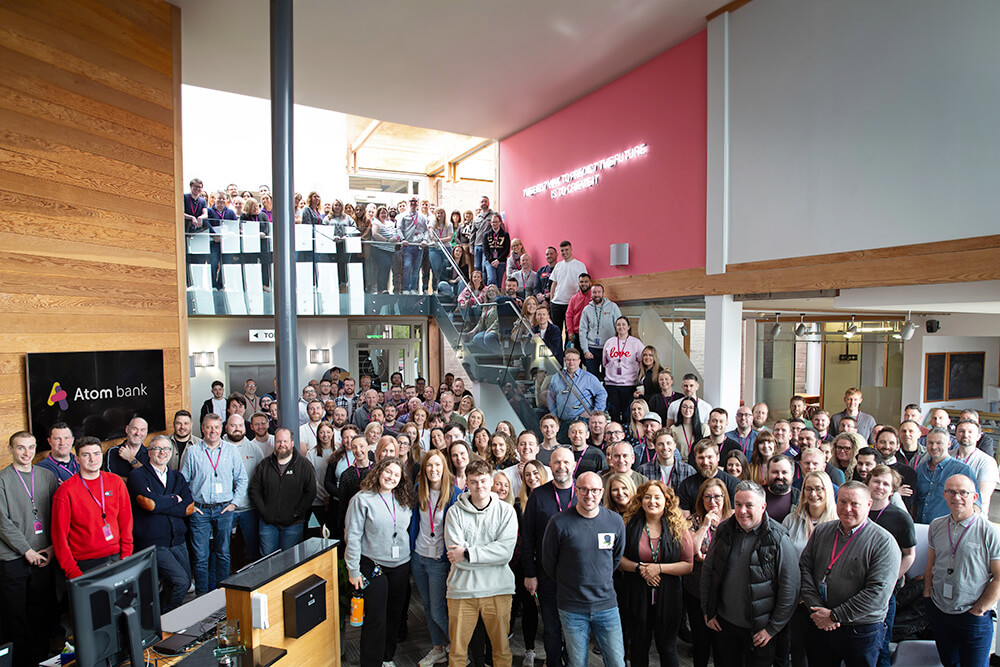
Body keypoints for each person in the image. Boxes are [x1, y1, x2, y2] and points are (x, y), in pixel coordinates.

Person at [798, 481, 901, 667]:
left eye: (855, 504)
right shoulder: (822, 531)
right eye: (843, 502)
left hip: (860, 630)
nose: (847, 509)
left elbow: (877, 593)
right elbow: (804, 569)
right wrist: (816, 608)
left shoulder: (884, 542)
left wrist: (835, 616)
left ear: (869, 505)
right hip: (819, 621)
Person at [701, 480, 799, 667]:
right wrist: (708, 610)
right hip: (725, 626)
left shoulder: (779, 538)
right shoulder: (724, 530)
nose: (742, 510)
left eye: (749, 505)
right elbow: (708, 571)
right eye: (738, 505)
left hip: (759, 632)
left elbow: (790, 589)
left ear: (763, 506)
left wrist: (772, 629)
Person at [541, 471, 626, 667]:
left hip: (606, 606)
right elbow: (549, 563)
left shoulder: (615, 521)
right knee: (577, 663)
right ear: (576, 491)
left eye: (595, 490)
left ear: (602, 492)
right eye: (584, 490)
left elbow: (615, 559)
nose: (589, 495)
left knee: (616, 662)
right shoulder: (558, 522)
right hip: (572, 608)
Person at [444, 459, 519, 667]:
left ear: (492, 481)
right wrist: (487, 555)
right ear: (466, 482)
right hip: (462, 590)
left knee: (502, 652)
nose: (480, 487)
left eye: (484, 481)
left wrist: (467, 553)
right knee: (457, 654)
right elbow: (455, 558)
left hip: (498, 589)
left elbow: (505, 553)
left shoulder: (506, 512)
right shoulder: (454, 512)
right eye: (474, 482)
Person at [924, 474, 1000, 667]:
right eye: (951, 492)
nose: (956, 497)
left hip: (973, 615)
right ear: (944, 495)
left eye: (963, 492)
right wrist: (927, 595)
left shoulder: (989, 531)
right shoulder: (936, 526)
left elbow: (999, 577)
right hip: (940, 610)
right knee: (949, 663)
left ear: (974, 497)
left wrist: (979, 609)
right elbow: (931, 563)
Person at [345, 458, 414, 667]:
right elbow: (353, 536)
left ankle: (387, 657)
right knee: (376, 618)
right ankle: (371, 663)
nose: (391, 477)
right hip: (373, 565)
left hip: (401, 564)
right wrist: (353, 569)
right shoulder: (362, 499)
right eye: (388, 472)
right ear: (378, 471)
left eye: (396, 474)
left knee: (395, 614)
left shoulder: (403, 498)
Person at [617, 481, 693, 667]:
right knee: (638, 647)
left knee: (667, 647)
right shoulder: (628, 524)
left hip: (669, 599)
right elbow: (618, 560)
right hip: (636, 597)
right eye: (648, 497)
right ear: (641, 500)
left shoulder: (678, 527)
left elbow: (688, 565)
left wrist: (658, 569)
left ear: (666, 501)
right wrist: (641, 568)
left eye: (657, 497)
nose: (652, 501)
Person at [0, 432, 59, 667]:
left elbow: (57, 515)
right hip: (13, 558)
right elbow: (2, 522)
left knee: (41, 612)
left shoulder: (46, 476)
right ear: (11, 449)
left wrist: (53, 547)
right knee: (16, 616)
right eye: (21, 448)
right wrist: (26, 550)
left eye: (31, 447)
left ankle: (42, 659)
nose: (27, 453)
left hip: (44, 553)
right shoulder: (3, 479)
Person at [180, 413, 249, 595]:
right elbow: (182, 482)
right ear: (202, 429)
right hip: (200, 511)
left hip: (224, 510)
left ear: (222, 429)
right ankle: (203, 596)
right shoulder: (193, 452)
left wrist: (234, 503)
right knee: (201, 557)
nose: (213, 431)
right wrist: (190, 506)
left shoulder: (231, 451)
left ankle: (222, 593)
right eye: (209, 427)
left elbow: (242, 479)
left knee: (223, 554)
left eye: (216, 427)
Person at [126, 435, 193, 612]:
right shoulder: (137, 476)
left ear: (171, 453)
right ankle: (165, 619)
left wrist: (158, 505)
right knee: (181, 581)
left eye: (167, 449)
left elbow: (188, 508)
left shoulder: (176, 476)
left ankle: (162, 616)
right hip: (154, 543)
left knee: (183, 584)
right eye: (157, 448)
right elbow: (148, 504)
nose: (162, 452)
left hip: (178, 540)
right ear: (149, 452)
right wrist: (174, 499)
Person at [521, 447, 575, 667]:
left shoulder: (584, 493)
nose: (561, 466)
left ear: (573, 466)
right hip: (547, 575)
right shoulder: (538, 496)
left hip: (577, 577)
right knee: (551, 627)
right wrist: (530, 574)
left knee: (574, 628)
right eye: (556, 462)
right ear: (550, 466)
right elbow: (528, 539)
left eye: (565, 462)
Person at [51, 437, 133, 578]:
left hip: (117, 557)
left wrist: (126, 555)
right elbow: (59, 537)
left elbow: (126, 521)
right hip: (84, 564)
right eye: (85, 455)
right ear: (76, 459)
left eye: (96, 454)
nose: (92, 459)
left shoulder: (116, 482)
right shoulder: (65, 491)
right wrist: (73, 572)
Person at [409, 450, 461, 667]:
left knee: (438, 609)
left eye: (437, 465)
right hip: (419, 557)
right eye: (429, 466)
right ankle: (437, 648)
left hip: (439, 561)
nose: (433, 470)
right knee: (428, 606)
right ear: (424, 470)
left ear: (444, 468)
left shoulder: (454, 494)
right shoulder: (418, 489)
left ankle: (459, 648)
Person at [782, 470, 837, 667]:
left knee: (822, 650)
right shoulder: (791, 520)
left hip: (826, 599)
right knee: (798, 648)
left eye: (819, 489)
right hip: (797, 598)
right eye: (808, 489)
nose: (813, 494)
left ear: (827, 491)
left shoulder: (838, 522)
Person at [866, 465, 916, 667]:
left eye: (886, 484)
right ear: (867, 483)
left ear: (893, 490)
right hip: (855, 587)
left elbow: (909, 554)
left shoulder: (901, 518)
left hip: (885, 592)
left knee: (880, 644)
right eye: (876, 481)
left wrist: (889, 579)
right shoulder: (855, 510)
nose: (880, 486)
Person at [248, 428, 316, 554]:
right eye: (278, 441)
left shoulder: (304, 465)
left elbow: (310, 492)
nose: (282, 444)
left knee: (289, 561)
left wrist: (296, 514)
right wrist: (264, 512)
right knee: (267, 560)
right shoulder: (264, 465)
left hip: (293, 524)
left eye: (285, 441)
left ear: (292, 443)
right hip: (267, 524)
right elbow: (254, 490)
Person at [915, 427, 977, 524]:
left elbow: (975, 504)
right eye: (930, 443)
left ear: (949, 444)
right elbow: (915, 502)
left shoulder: (962, 470)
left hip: (948, 529)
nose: (934, 447)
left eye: (939, 443)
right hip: (921, 526)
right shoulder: (920, 469)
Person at [546, 348, 608, 436]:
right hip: (561, 422)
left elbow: (602, 393)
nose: (571, 362)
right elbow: (550, 396)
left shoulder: (589, 378)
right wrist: (553, 414)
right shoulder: (556, 377)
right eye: (568, 360)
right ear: (564, 360)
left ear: (579, 361)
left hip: (582, 421)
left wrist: (594, 413)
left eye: (574, 360)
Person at [677, 440, 740, 513]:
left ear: (718, 457)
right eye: (701, 458)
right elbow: (685, 520)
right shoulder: (686, 485)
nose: (705, 462)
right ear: (695, 459)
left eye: (709, 457)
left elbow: (733, 517)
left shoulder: (733, 484)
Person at [602, 316, 644, 425]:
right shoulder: (609, 342)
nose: (621, 327)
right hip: (611, 384)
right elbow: (605, 362)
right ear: (615, 327)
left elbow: (642, 361)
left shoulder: (636, 343)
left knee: (627, 414)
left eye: (624, 324)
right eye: (618, 325)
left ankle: (627, 437)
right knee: (613, 413)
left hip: (628, 385)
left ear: (629, 327)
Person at [952, 418, 998, 516]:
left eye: (970, 432)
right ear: (955, 434)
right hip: (947, 517)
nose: (965, 435)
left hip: (973, 518)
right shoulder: (947, 456)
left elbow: (982, 497)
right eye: (961, 431)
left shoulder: (987, 462)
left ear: (978, 436)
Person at [547, 240, 588, 335]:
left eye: (566, 250)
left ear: (571, 250)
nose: (564, 252)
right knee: (555, 331)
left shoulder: (580, 265)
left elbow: (584, 284)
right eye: (562, 250)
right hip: (556, 303)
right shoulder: (558, 266)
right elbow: (554, 284)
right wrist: (551, 300)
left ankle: (567, 350)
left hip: (571, 304)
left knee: (569, 331)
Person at [763, 455, 799, 522]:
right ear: (767, 473)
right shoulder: (757, 496)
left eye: (784, 472)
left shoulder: (800, 499)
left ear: (792, 474)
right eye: (775, 472)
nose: (780, 476)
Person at [670, 396, 704, 462]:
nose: (687, 410)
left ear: (695, 409)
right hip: (680, 463)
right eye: (684, 407)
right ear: (680, 409)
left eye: (691, 407)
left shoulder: (704, 428)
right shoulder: (674, 428)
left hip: (698, 463)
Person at [482, 212, 511, 287]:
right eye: (493, 222)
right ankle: (489, 296)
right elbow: (485, 250)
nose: (495, 223)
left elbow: (507, 250)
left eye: (496, 221)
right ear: (491, 223)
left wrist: (498, 260)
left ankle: (497, 298)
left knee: (499, 281)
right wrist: (491, 260)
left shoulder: (505, 235)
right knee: (491, 279)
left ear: (500, 222)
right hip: (490, 261)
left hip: (501, 261)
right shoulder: (486, 235)